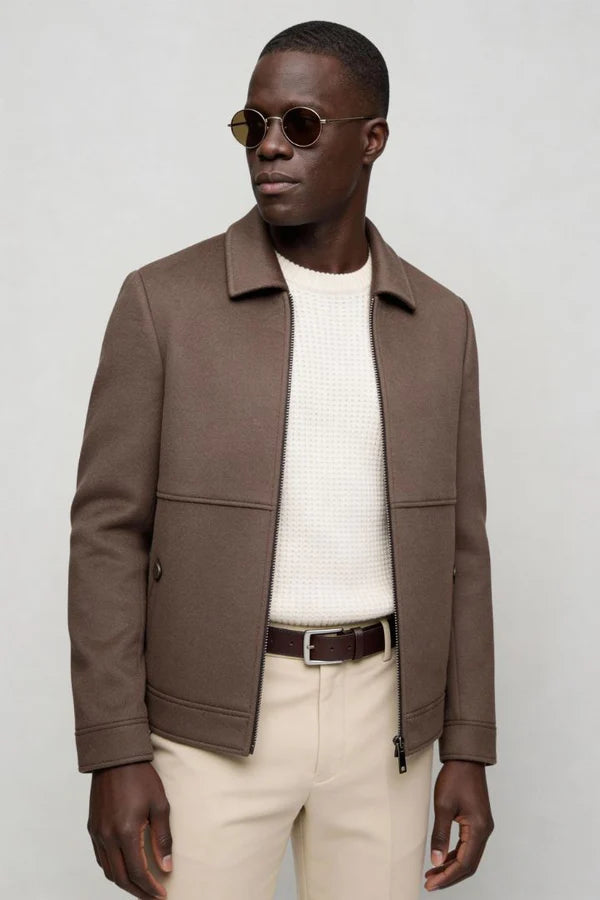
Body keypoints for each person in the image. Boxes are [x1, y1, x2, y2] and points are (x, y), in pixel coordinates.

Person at [68, 19, 496, 900]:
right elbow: (107, 532)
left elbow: (464, 548)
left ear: (372, 139)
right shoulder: (162, 302)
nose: (269, 147)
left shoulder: (441, 323)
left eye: (300, 125)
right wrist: (114, 749)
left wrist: (468, 747)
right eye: (252, 124)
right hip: (207, 729)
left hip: (388, 728)